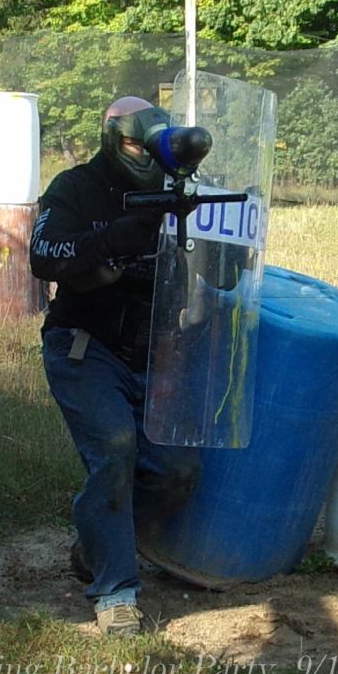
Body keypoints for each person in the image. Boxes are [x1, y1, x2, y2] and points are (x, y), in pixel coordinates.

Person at [29, 95, 201, 638]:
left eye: (153, 144)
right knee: (115, 450)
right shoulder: (76, 187)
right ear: (111, 137)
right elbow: (43, 254)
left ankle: (96, 544)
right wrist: (110, 238)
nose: (144, 153)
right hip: (86, 347)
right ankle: (116, 594)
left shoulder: (182, 189)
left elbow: (220, 270)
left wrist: (226, 249)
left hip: (154, 351)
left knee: (176, 471)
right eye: (132, 142)